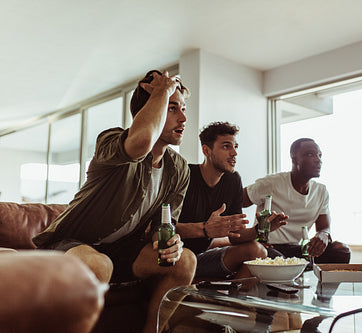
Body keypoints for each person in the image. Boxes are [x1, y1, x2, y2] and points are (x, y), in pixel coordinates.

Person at [33, 70, 196, 333]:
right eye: (172, 107)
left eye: (183, 108)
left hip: (121, 251)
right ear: (150, 109)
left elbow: (163, 223)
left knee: (185, 260)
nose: (184, 118)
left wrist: (168, 242)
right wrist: (162, 91)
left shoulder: (179, 168)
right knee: (99, 264)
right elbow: (142, 141)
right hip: (70, 244)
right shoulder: (110, 141)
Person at [177, 121, 287, 279]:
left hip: (202, 257)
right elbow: (162, 227)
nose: (234, 153)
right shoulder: (185, 175)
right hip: (176, 257)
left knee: (258, 251)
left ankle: (234, 301)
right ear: (206, 150)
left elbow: (236, 237)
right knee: (186, 257)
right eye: (226, 146)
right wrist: (205, 228)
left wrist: (261, 229)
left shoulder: (233, 180)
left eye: (235, 147)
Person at [243, 138, 350, 264]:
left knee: (341, 251)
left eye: (319, 155)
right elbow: (235, 202)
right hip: (268, 248)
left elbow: (324, 226)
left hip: (296, 248)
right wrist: (250, 239)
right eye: (310, 154)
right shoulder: (271, 183)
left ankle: (323, 284)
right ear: (294, 159)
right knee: (282, 262)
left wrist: (323, 235)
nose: (318, 160)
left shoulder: (321, 191)